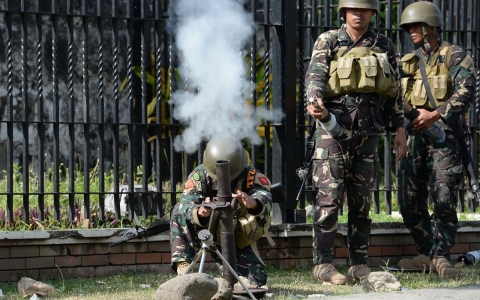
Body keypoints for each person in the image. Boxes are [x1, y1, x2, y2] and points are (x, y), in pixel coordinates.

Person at [304, 0, 407, 285]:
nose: (358, 14)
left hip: (369, 133)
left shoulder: (383, 44)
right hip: (332, 131)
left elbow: (394, 91)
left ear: (373, 12)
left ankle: (358, 263)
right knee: (329, 198)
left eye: (363, 9)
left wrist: (399, 128)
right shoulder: (330, 39)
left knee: (362, 202)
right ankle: (323, 264)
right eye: (353, 9)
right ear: (344, 12)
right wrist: (315, 101)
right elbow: (315, 76)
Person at [396, 1, 476, 278]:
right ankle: (426, 251)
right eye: (407, 28)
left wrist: (437, 115)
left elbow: (466, 91)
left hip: (446, 138)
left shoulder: (455, 55)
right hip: (415, 136)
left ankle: (441, 257)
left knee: (443, 198)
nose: (410, 32)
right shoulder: (407, 61)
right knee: (407, 198)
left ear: (429, 26)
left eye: (414, 27)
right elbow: (396, 98)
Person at [169, 133, 274, 288]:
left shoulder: (250, 175)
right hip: (205, 230)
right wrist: (200, 212)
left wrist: (252, 202)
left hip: (235, 237)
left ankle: (231, 276)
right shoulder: (200, 175)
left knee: (254, 281)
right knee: (178, 211)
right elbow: (186, 202)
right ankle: (184, 268)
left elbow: (265, 196)